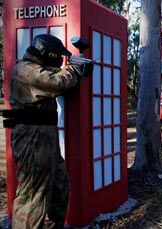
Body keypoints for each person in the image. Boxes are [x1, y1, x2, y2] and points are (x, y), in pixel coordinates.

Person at [8, 34, 92, 228]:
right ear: (48, 54)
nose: (60, 60)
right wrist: (75, 69)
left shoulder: (36, 68)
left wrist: (72, 70)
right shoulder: (25, 70)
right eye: (58, 56)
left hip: (46, 138)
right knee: (32, 197)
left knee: (59, 189)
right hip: (32, 138)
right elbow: (56, 82)